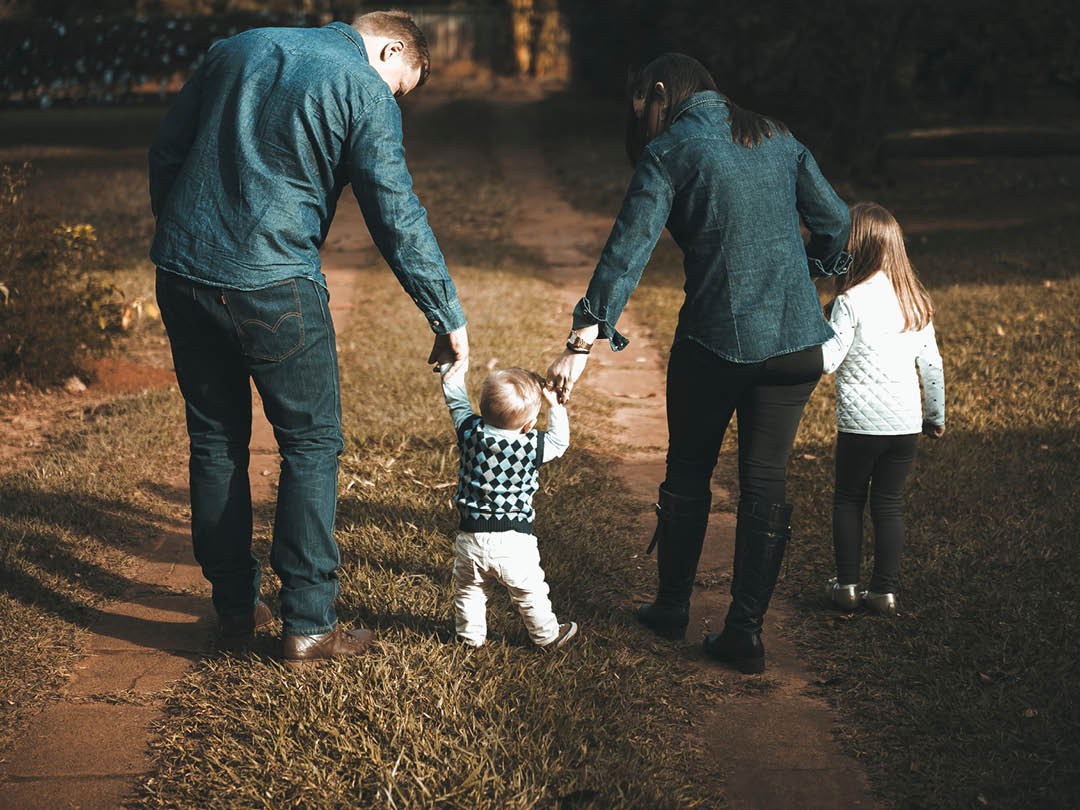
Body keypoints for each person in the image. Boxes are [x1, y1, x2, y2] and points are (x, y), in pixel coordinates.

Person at [148, 10, 469, 665]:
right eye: (401, 86)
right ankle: (311, 624)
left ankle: (235, 607)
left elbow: (166, 150)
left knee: (215, 438)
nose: (394, 99)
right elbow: (396, 216)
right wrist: (445, 315)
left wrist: (187, 238)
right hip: (274, 284)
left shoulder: (234, 47)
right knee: (311, 444)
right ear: (391, 47)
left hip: (182, 272)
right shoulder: (363, 89)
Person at [546, 53, 850, 674]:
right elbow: (837, 223)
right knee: (766, 481)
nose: (647, 124)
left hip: (714, 345)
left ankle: (671, 608)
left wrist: (580, 346)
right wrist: (813, 271)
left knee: (688, 472)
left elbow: (625, 255)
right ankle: (745, 634)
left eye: (645, 109)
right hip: (796, 347)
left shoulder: (672, 151)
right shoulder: (777, 136)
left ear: (660, 92)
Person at [821, 202, 945, 617]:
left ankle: (847, 588)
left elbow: (829, 360)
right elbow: (931, 365)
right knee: (888, 504)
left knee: (849, 499)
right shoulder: (914, 302)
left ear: (854, 248)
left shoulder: (850, 301)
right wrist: (935, 417)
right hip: (905, 425)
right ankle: (884, 593)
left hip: (859, 426)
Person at [439, 363, 577, 649]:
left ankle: (469, 638)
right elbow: (560, 442)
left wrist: (450, 372)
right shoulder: (531, 445)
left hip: (471, 538)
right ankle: (547, 636)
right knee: (530, 592)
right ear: (528, 425)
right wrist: (555, 406)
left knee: (469, 590)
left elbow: (456, 404)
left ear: (483, 409)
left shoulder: (470, 433)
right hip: (514, 542)